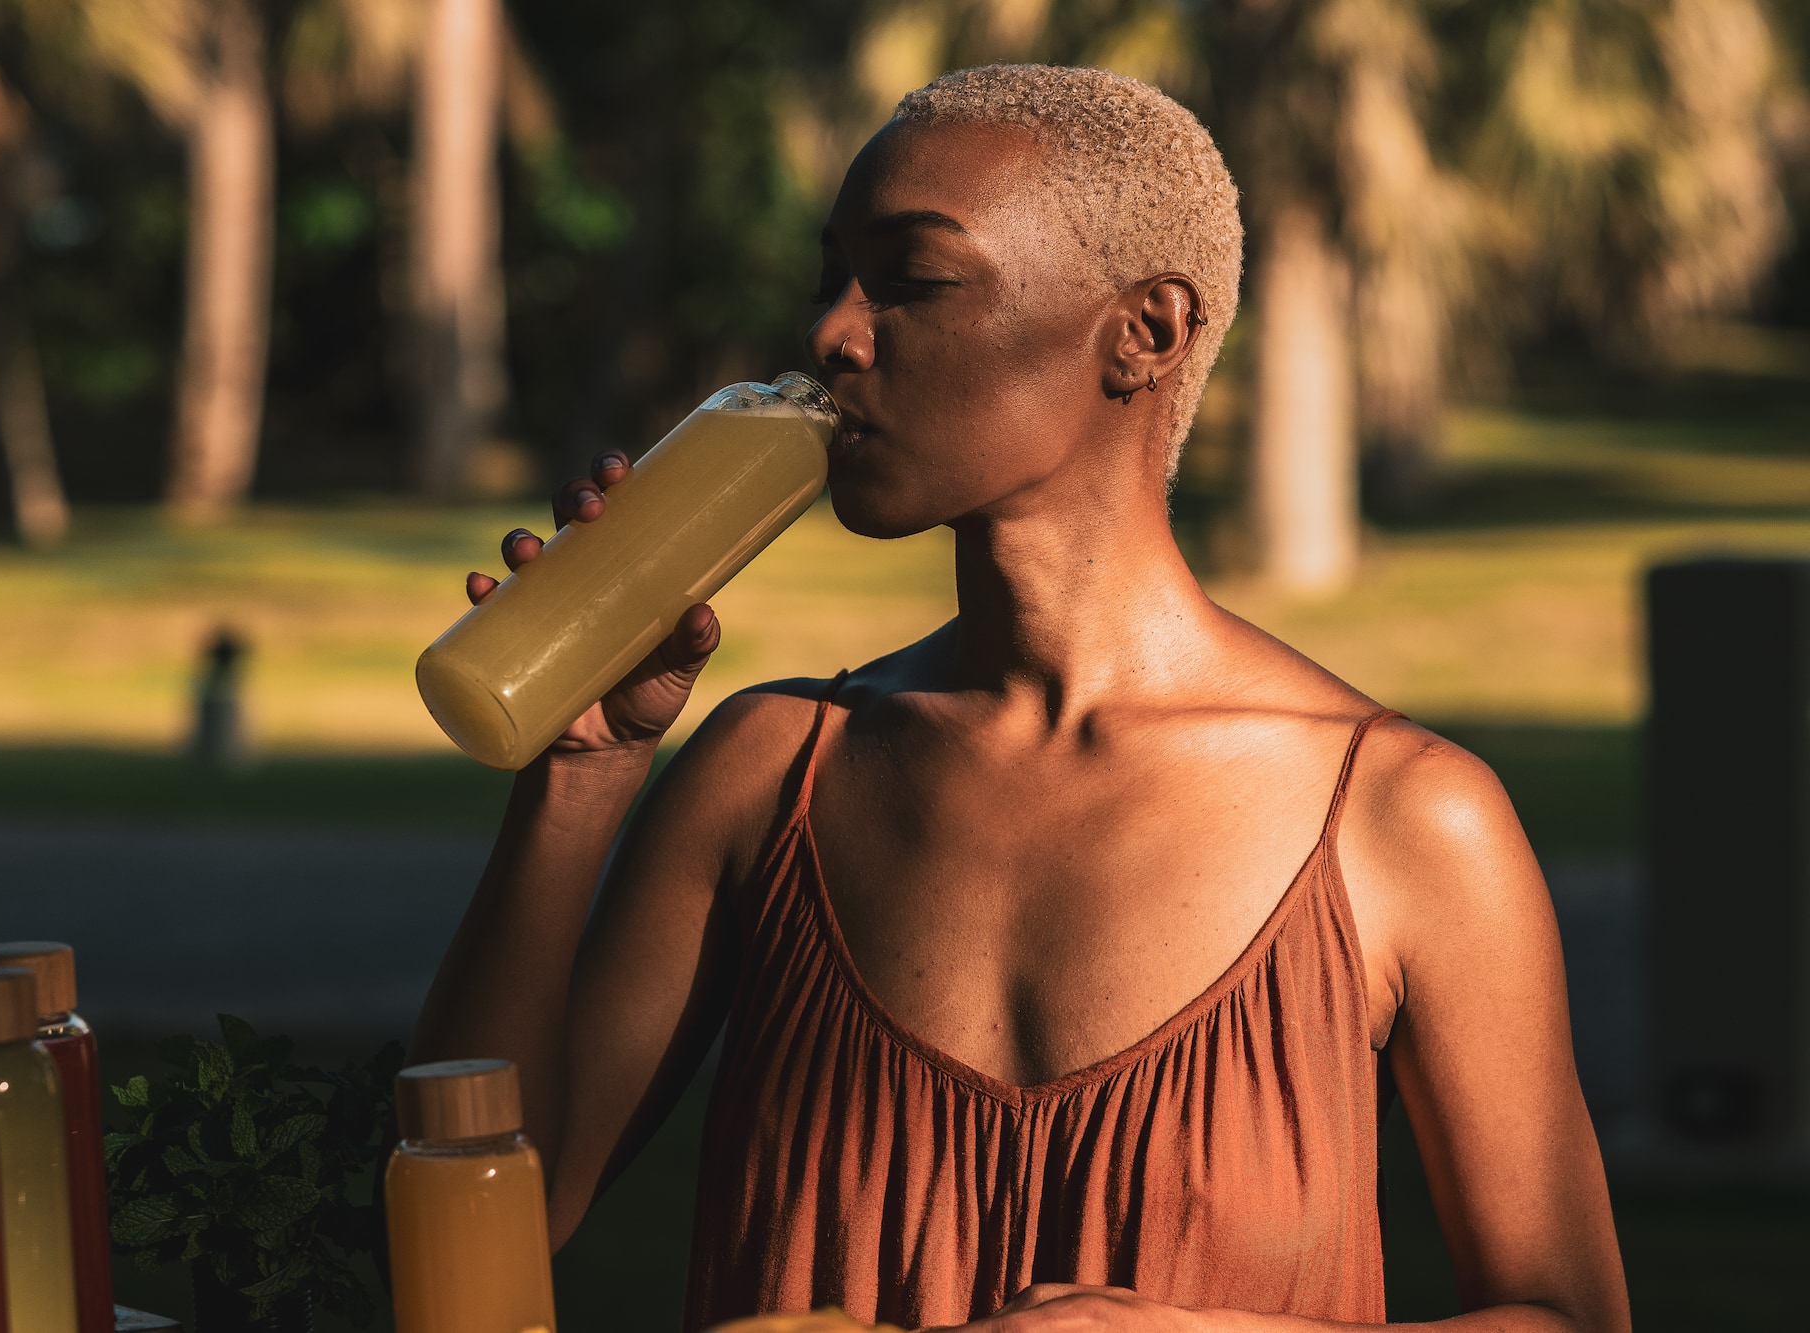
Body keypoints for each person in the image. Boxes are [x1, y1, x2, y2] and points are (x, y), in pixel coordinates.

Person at [413, 64, 1630, 1333]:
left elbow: (1567, 1315)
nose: (831, 333)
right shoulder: (769, 771)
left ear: (1145, 331)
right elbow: (476, 1219)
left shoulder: (1400, 821)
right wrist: (582, 770)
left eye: (910, 281)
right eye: (829, 276)